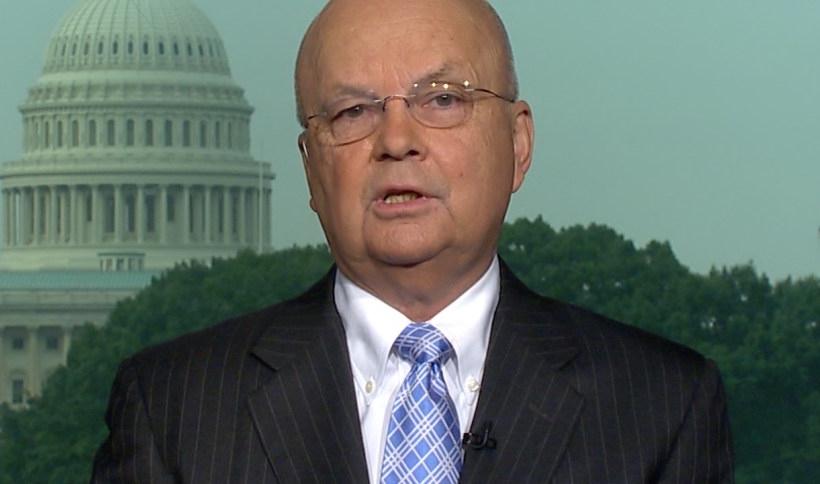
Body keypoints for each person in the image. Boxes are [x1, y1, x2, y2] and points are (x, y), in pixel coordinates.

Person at [92, 0, 734, 482]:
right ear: (311, 167)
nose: (397, 140)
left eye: (444, 100)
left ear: (518, 144)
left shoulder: (663, 405)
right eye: (353, 112)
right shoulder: (173, 408)